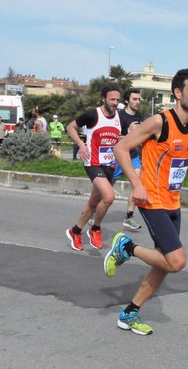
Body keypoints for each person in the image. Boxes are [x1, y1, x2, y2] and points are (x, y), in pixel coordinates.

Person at [102, 69, 188, 335]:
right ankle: (126, 247)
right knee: (176, 261)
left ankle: (129, 313)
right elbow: (120, 149)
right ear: (178, 93)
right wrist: (137, 185)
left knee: (163, 264)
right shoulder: (160, 122)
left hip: (173, 202)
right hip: (152, 199)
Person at [65, 82, 123, 251]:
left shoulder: (120, 117)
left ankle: (75, 231)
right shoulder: (93, 115)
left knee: (93, 202)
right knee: (109, 197)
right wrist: (81, 145)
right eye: (112, 99)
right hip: (93, 162)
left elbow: (125, 136)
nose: (114, 103)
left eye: (117, 100)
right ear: (103, 98)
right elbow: (70, 127)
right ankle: (95, 229)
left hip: (109, 165)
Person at [114, 88, 144, 230]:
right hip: (119, 156)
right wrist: (125, 136)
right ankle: (95, 212)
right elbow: (114, 136)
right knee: (108, 186)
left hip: (133, 155)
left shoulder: (138, 116)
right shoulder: (119, 116)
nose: (137, 102)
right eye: (134, 99)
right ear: (127, 101)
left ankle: (129, 217)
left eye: (139, 99)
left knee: (136, 183)